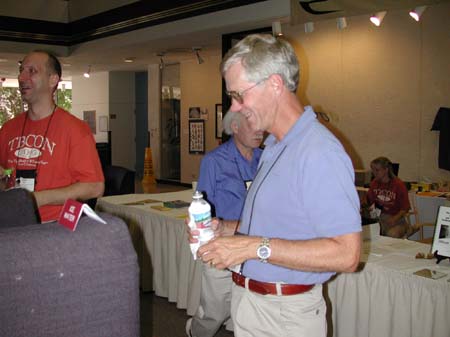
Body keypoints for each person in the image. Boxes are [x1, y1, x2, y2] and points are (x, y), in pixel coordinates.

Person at [188, 34, 362, 337]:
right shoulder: (275, 147)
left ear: (275, 84)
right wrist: (225, 230)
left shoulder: (318, 150)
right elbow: (281, 224)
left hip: (284, 315)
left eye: (239, 95)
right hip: (257, 304)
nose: (235, 107)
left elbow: (346, 254)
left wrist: (253, 247)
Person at [0, 50, 104, 222]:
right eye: (21, 71)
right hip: (13, 223)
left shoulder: (76, 129)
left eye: (32, 71)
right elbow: (5, 179)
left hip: (57, 227)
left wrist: (36, 199)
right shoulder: (8, 129)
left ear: (53, 80)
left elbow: (94, 186)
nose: (22, 78)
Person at [186, 110, 263, 337]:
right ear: (235, 127)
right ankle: (195, 332)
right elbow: (201, 205)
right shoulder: (214, 161)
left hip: (256, 241)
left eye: (261, 125)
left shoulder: (265, 159)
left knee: (252, 305)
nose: (260, 131)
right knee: (215, 311)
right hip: (223, 242)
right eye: (252, 125)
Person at [366, 156, 414, 238]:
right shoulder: (374, 183)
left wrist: (394, 219)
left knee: (392, 234)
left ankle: (406, 229)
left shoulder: (399, 185)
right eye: (373, 170)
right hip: (378, 218)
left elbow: (405, 208)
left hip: (396, 220)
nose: (374, 173)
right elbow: (368, 201)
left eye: (377, 170)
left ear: (386, 170)